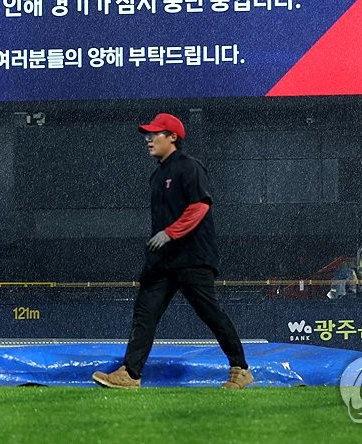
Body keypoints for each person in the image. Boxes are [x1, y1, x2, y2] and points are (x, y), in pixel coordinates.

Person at [93, 112, 252, 390]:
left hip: (192, 257)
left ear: (173, 137)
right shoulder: (157, 176)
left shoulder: (189, 167)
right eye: (148, 134)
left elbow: (200, 206)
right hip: (163, 261)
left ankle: (240, 369)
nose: (148, 139)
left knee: (210, 313)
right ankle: (130, 374)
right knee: (145, 314)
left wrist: (170, 233)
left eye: (155, 134)